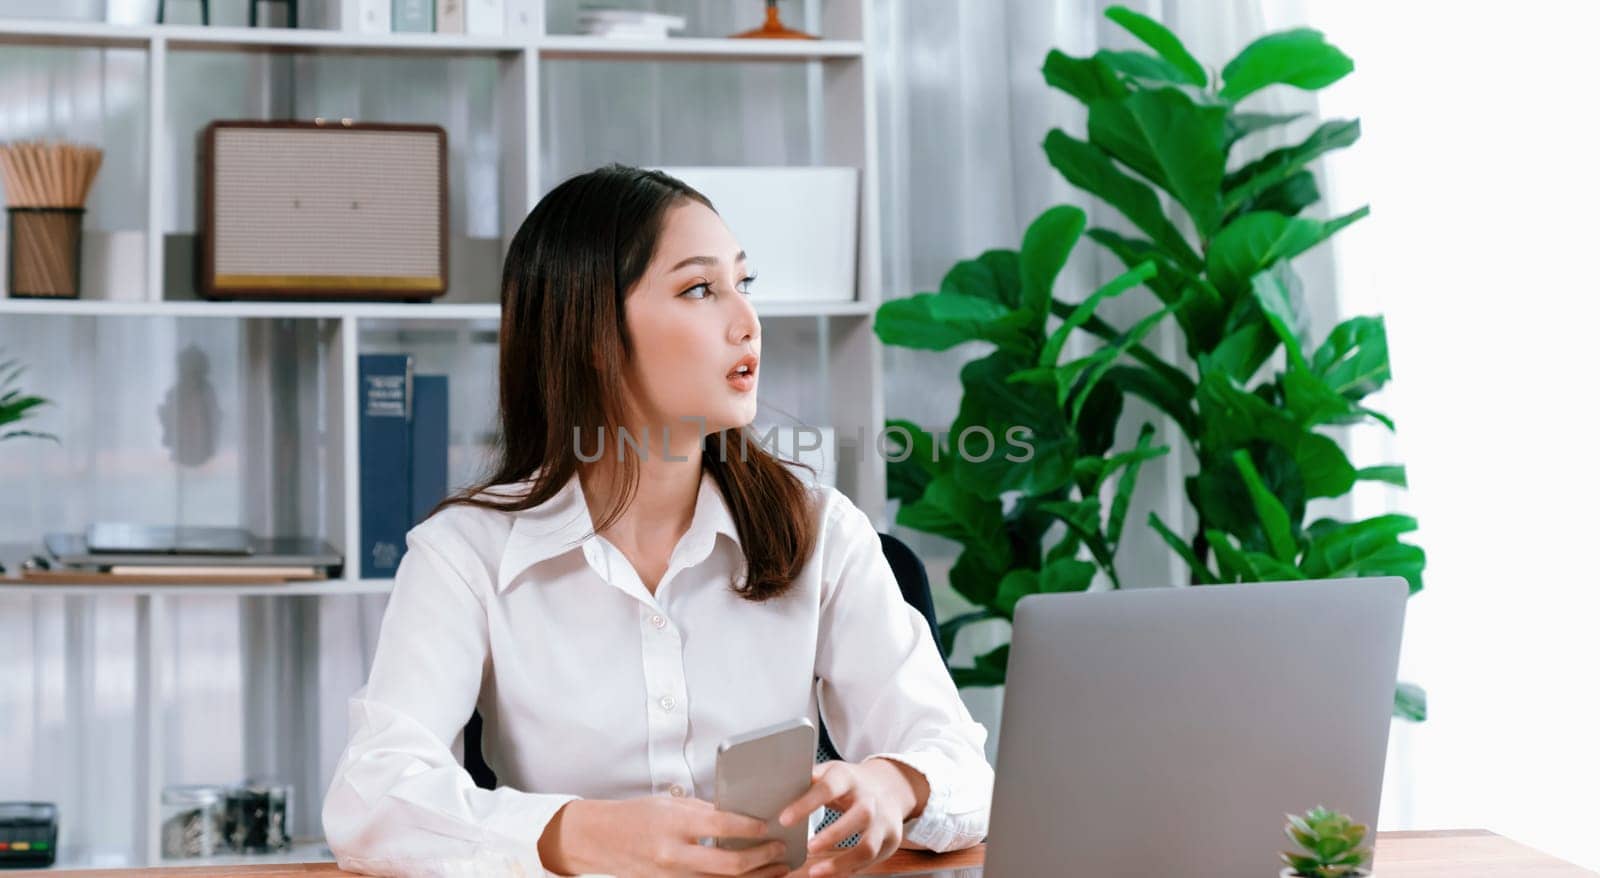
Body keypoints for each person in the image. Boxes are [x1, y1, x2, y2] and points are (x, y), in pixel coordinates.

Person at [321, 164, 993, 878]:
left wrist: (897, 784)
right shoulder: (465, 555)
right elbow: (372, 797)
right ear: (591, 333)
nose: (747, 321)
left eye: (745, 284)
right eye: (701, 289)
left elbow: (964, 770)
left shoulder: (821, 531)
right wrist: (574, 834)